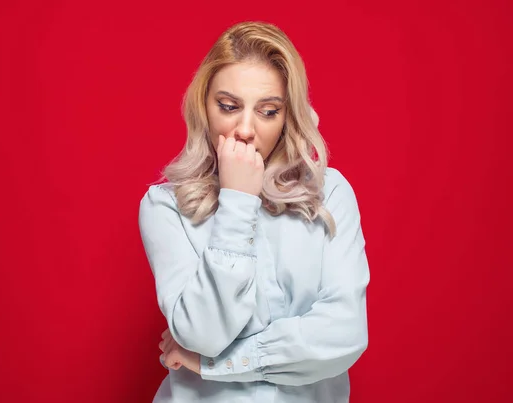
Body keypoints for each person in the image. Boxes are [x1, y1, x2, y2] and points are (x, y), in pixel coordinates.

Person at [138, 20, 370, 403]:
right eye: (228, 107)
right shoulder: (166, 206)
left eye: (267, 111)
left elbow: (345, 336)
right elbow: (202, 334)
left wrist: (217, 363)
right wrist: (237, 202)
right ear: (204, 107)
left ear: (287, 116)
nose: (245, 129)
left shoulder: (331, 194)